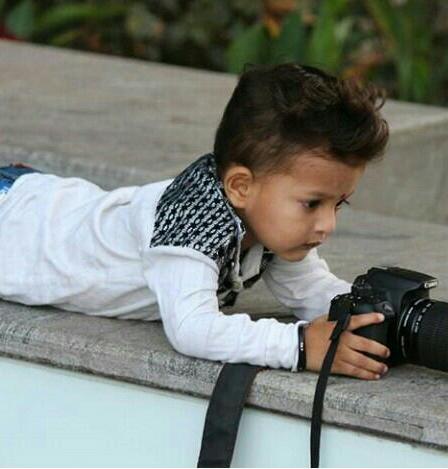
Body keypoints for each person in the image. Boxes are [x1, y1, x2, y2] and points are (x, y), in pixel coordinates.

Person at [0, 63, 391, 380]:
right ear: (241, 186)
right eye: (312, 204)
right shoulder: (191, 223)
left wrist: (378, 314)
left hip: (36, 202)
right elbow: (193, 329)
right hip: (13, 222)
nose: (327, 225)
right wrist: (301, 346)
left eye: (339, 204)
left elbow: (310, 291)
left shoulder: (268, 221)